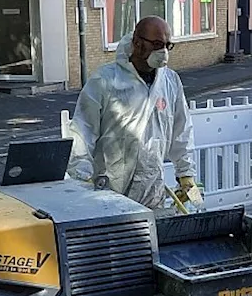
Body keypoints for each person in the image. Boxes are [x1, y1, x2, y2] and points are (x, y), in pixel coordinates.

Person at [67, 16, 196, 209]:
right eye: (157, 44)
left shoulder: (170, 82)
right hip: (109, 193)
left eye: (168, 45)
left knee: (150, 237)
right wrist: (82, 177)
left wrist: (185, 174)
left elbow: (181, 130)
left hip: (152, 190)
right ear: (137, 43)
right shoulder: (105, 80)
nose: (163, 52)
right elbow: (82, 132)